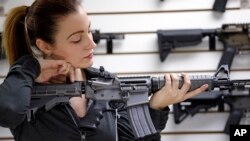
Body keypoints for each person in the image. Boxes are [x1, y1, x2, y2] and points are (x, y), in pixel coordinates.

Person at [0, 0, 208, 141]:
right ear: (45, 46)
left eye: (89, 30)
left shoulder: (106, 83)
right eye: (76, 39)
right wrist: (30, 67)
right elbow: (6, 112)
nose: (92, 44)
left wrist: (155, 108)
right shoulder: (22, 88)